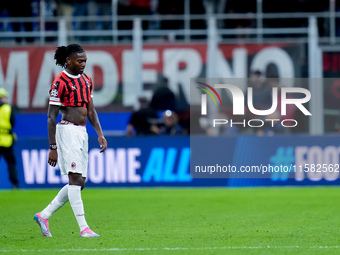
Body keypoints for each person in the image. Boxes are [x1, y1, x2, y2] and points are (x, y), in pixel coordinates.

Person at [34, 44, 108, 238]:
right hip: (67, 131)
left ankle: (44, 215)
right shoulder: (60, 82)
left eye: (85, 61)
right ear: (68, 60)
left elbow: (90, 110)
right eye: (80, 61)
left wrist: (99, 133)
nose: (83, 64)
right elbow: (51, 117)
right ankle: (84, 228)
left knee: (80, 182)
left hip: (82, 133)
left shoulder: (87, 80)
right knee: (74, 179)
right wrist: (53, 147)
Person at [0, 88, 19, 189]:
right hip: (6, 140)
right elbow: (12, 122)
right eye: (4, 97)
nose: (5, 99)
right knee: (11, 163)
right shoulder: (8, 108)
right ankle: (15, 184)